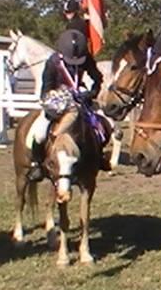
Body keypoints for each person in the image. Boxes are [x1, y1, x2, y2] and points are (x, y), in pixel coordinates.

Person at [27, 30, 105, 181]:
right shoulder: (52, 63)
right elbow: (46, 89)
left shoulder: (85, 58)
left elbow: (97, 78)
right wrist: (59, 100)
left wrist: (91, 93)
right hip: (57, 103)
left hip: (80, 101)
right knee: (40, 132)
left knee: (99, 128)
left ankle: (98, 158)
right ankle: (36, 164)